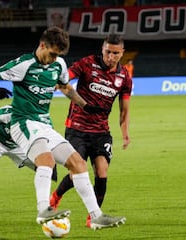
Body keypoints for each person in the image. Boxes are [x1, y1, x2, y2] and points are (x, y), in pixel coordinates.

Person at [0, 26, 125, 229]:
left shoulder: (58, 64)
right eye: (52, 54)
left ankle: (96, 216)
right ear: (42, 45)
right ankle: (43, 209)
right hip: (23, 122)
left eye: (58, 55)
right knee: (46, 160)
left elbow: (65, 87)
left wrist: (85, 105)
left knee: (78, 164)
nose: (54, 59)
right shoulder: (24, 64)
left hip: (44, 124)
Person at [49, 34, 132, 228]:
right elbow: (66, 76)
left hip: (101, 131)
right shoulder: (88, 63)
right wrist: (56, 82)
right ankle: (56, 196)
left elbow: (124, 109)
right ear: (102, 49)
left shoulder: (124, 77)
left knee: (102, 172)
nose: (111, 57)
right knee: (77, 172)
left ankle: (93, 218)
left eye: (115, 53)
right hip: (77, 128)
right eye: (108, 52)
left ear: (122, 53)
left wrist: (125, 133)